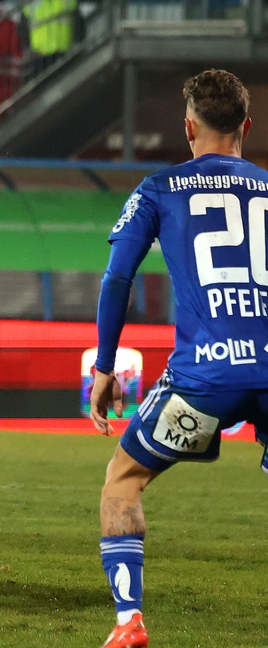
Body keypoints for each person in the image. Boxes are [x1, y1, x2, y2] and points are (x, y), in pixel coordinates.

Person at [90, 69, 264, 648]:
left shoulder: (160, 189)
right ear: (246, 124)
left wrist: (105, 367)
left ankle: (128, 622)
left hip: (205, 373)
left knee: (123, 480)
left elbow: (118, 279)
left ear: (187, 127)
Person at [20, 0, 79, 78]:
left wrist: (76, 45)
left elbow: (78, 23)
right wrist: (30, 51)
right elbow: (22, 30)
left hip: (65, 53)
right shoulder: (31, 4)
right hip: (40, 57)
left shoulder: (67, 0)